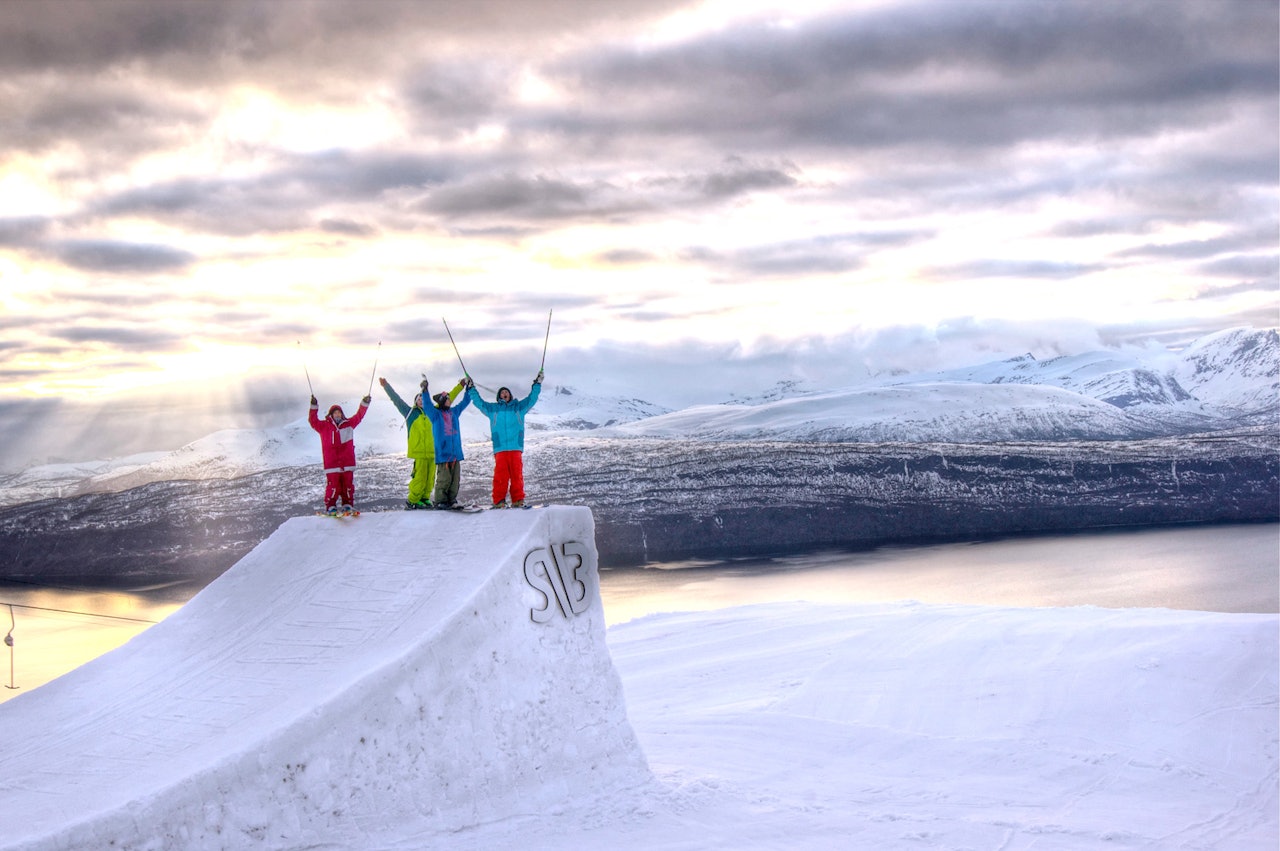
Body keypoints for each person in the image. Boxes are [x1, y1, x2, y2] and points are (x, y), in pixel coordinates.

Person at [378, 376, 463, 510]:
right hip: (419, 452)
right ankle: (413, 500)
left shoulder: (435, 412)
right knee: (420, 476)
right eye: (419, 399)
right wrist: (386, 386)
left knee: (430, 479)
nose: (421, 400)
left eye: (423, 398)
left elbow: (449, 396)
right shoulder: (410, 413)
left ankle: (424, 498)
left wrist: (461, 386)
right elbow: (397, 400)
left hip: (433, 452)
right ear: (415, 402)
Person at [467, 370, 543, 508]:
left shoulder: (519, 408)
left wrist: (537, 384)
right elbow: (479, 403)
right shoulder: (493, 409)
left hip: (515, 446)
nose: (504, 393)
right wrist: (471, 388)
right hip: (500, 447)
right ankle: (499, 501)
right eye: (502, 392)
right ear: (498, 397)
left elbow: (532, 398)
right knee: (501, 476)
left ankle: (518, 500)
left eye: (506, 392)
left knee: (517, 475)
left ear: (510, 395)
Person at [307, 393, 371, 515]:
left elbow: (359, 416)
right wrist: (314, 406)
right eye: (335, 413)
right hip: (332, 464)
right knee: (333, 486)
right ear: (331, 415)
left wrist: (365, 403)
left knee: (348, 486)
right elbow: (313, 421)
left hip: (347, 462)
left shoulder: (349, 424)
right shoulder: (324, 426)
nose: (337, 414)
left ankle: (347, 505)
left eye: (339, 412)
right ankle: (331, 506)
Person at [420, 377, 473, 509]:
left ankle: (451, 500)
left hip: (455, 453)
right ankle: (440, 500)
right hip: (443, 453)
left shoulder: (454, 412)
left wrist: (469, 388)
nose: (450, 400)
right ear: (443, 401)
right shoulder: (435, 414)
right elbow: (427, 405)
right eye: (448, 399)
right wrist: (425, 390)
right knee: (444, 479)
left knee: (455, 480)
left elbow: (465, 402)